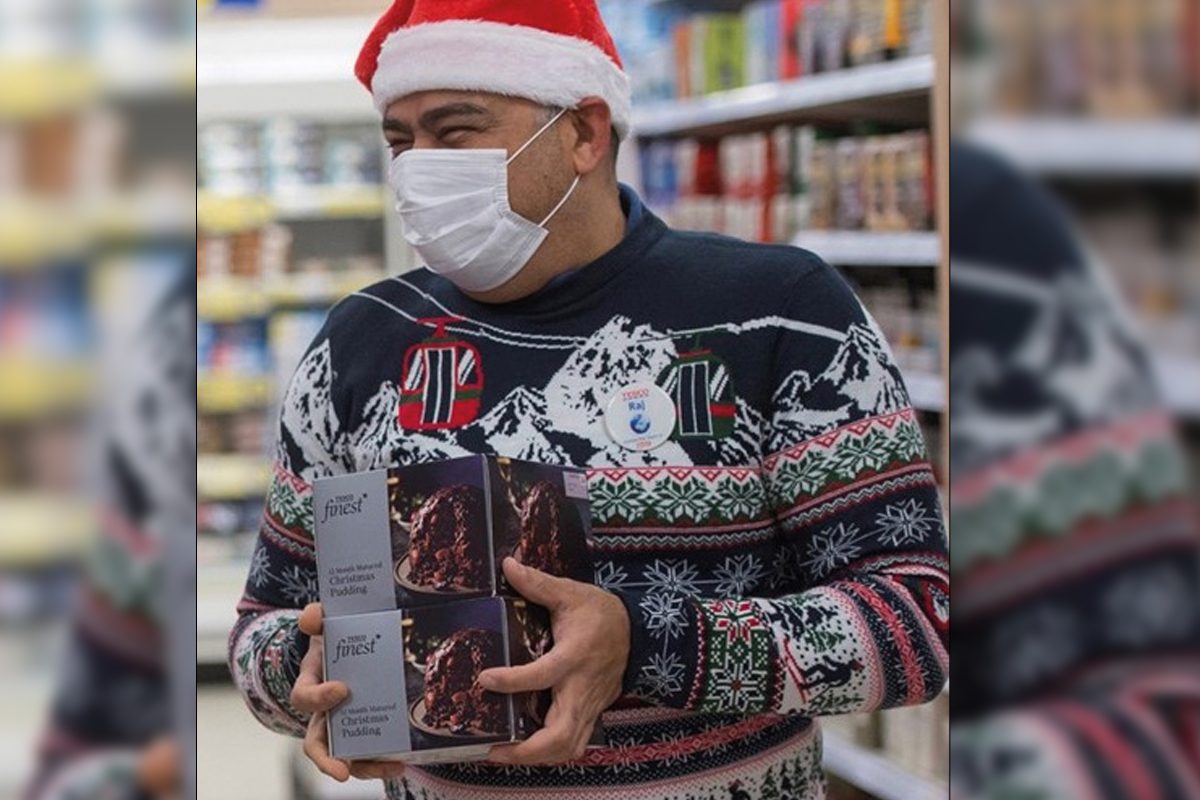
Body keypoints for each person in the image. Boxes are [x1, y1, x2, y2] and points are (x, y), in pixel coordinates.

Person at [229, 2, 949, 798]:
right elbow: (262, 626)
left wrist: (643, 643)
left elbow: (917, 623)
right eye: (399, 140)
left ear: (583, 133)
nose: (417, 165)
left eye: (455, 130)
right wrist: (309, 674)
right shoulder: (361, 342)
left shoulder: (781, 311)